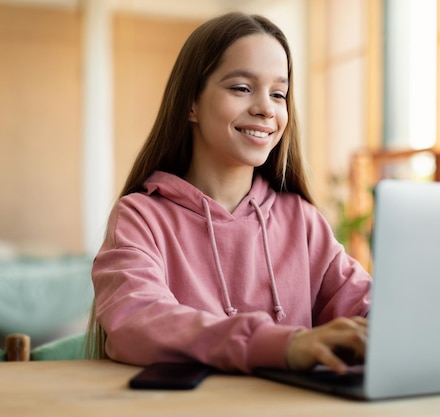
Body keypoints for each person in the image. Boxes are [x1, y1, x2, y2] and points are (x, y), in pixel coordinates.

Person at [88, 11, 371, 375]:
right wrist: (282, 344)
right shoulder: (141, 218)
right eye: (241, 88)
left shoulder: (301, 220)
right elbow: (136, 320)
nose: (266, 108)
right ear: (191, 103)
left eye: (278, 93)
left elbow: (364, 304)